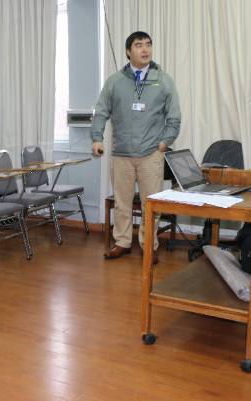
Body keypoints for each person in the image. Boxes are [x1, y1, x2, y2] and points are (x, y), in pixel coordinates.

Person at [90, 31, 181, 264]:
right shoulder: (115, 81)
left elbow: (174, 117)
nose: (145, 49)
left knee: (152, 205)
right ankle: (122, 242)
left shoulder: (164, 80)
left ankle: (149, 245)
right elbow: (101, 111)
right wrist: (97, 138)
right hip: (122, 155)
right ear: (128, 51)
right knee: (122, 203)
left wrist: (164, 143)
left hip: (151, 154)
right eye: (139, 45)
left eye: (148, 44)